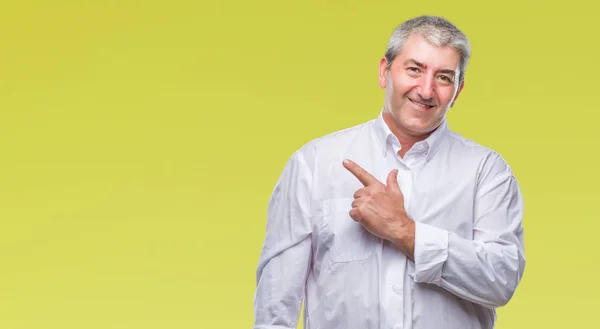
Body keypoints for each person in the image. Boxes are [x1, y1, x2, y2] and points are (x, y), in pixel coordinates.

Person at [252, 15, 525, 329]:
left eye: (444, 77)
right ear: (385, 71)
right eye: (414, 69)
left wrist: (405, 231)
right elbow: (276, 302)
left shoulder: (487, 172)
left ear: (458, 91)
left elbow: (501, 280)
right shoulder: (314, 162)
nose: (426, 90)